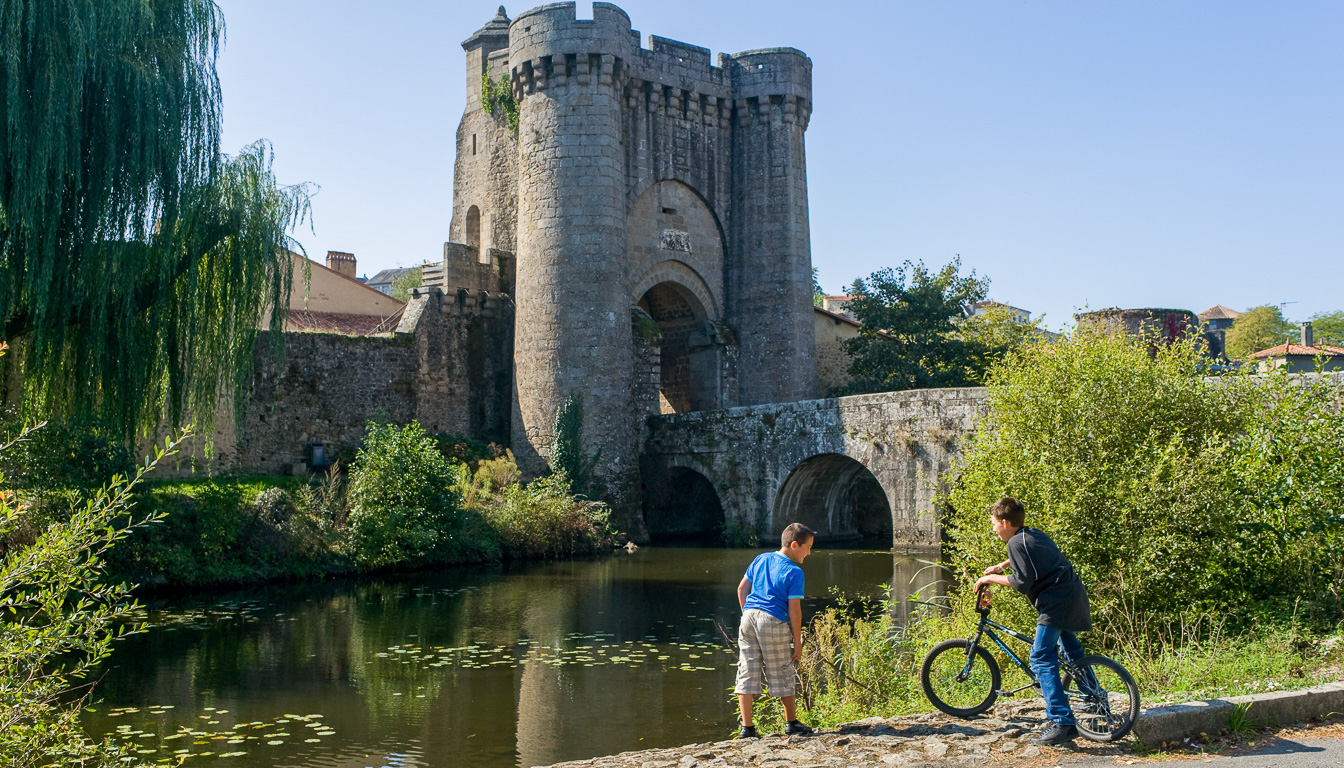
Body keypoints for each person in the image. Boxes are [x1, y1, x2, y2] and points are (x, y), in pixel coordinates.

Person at [973, 497, 1092, 747]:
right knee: (1072, 651)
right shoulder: (1030, 533)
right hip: (1072, 594)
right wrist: (1001, 565)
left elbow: (1021, 582)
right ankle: (1094, 699)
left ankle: (1062, 721)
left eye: (994, 523)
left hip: (1056, 604)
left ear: (1005, 522)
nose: (993, 528)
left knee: (1039, 657)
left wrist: (991, 579)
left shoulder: (1015, 542)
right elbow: (1031, 556)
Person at [734, 522, 815, 738]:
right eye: (808, 548)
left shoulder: (761, 559)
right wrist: (797, 641)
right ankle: (791, 723)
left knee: (747, 671)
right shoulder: (794, 572)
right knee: (782, 671)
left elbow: (742, 589)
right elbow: (794, 610)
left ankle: (747, 729)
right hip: (772, 620)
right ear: (795, 545)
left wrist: (747, 613)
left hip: (748, 617)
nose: (809, 553)